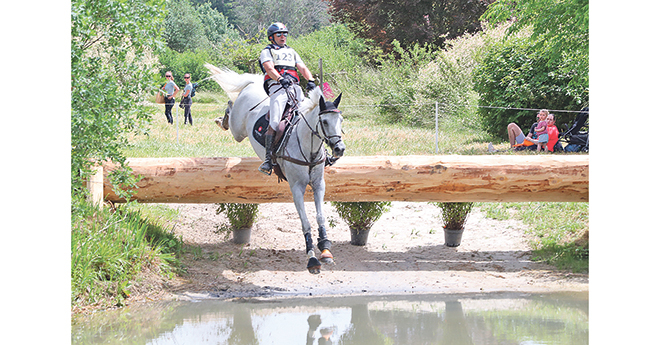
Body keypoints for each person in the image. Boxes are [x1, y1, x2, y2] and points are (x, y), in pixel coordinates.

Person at [257, 22, 317, 175]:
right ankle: (268, 159)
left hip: (295, 87)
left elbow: (302, 67)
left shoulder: (292, 51)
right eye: (279, 34)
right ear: (272, 37)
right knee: (275, 122)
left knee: (310, 116)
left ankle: (321, 154)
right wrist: (279, 79)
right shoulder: (267, 51)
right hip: (278, 87)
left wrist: (310, 80)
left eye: (285, 34)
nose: (283, 36)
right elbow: (269, 69)